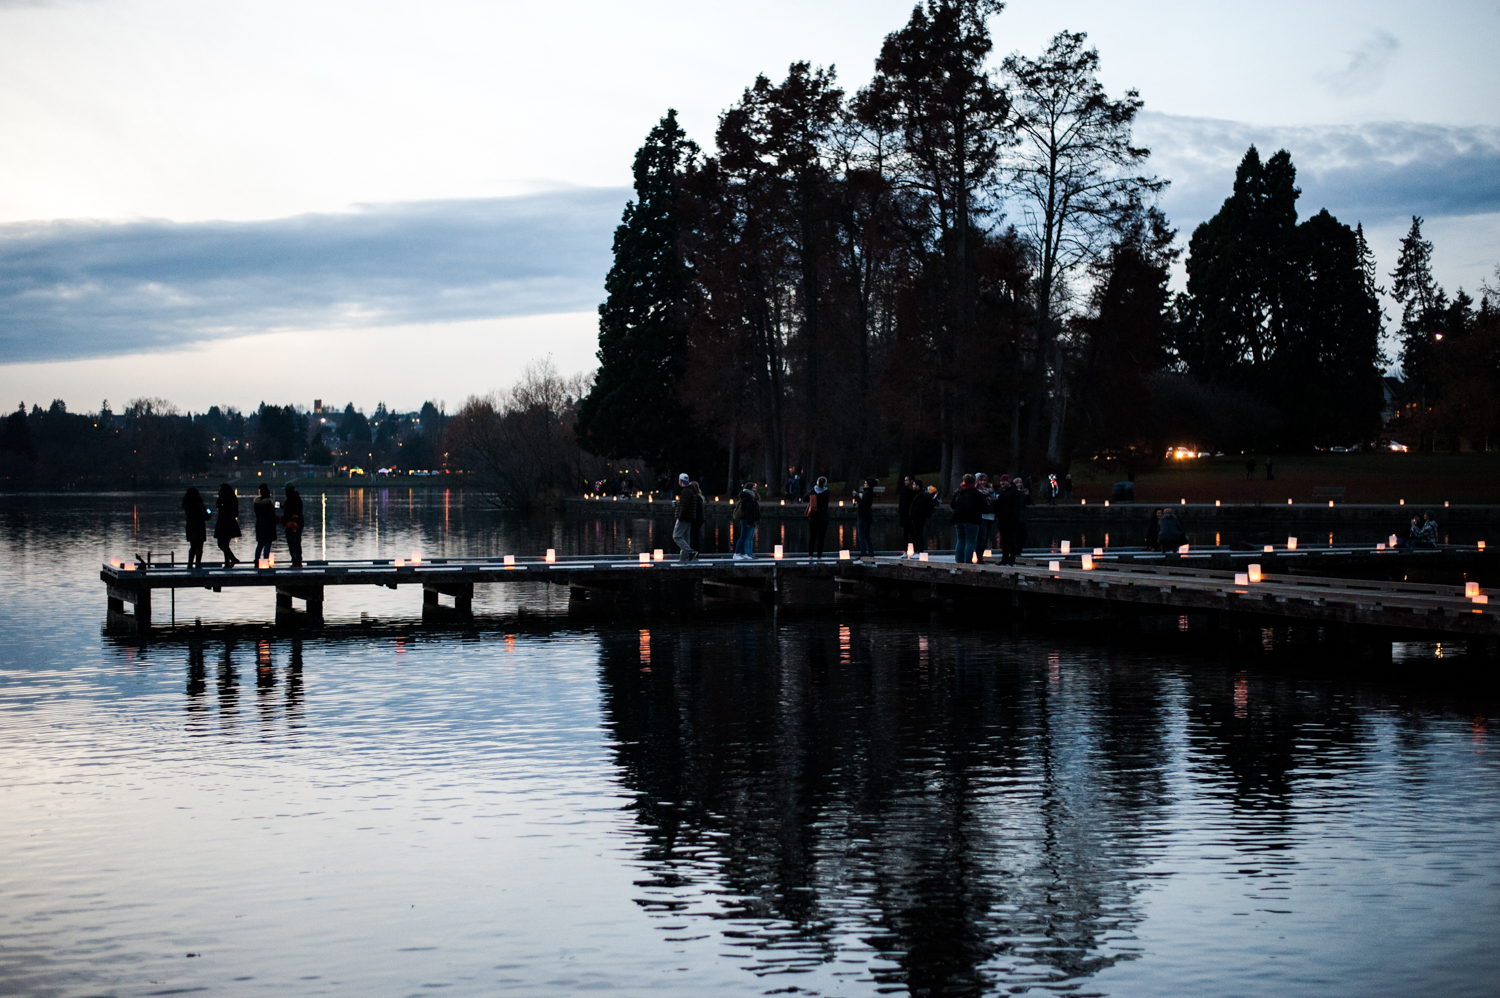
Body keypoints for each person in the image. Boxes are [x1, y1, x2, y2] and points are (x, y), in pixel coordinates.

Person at [949, 473, 985, 565]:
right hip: (972, 520)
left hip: (958, 520)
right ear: (974, 482)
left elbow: (952, 505)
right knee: (970, 541)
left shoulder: (958, 492)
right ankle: (967, 562)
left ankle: (959, 560)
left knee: (960, 540)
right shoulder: (976, 493)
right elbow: (983, 506)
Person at [996, 475, 1025, 565]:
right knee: (1004, 540)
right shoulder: (1002, 491)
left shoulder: (1014, 492)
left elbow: (1016, 507)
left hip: (1011, 520)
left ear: (1008, 482)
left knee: (1011, 540)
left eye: (1004, 481)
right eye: (1001, 481)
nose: (1002, 483)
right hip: (1002, 520)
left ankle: (1012, 559)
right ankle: (1004, 559)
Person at [181, 487, 211, 570]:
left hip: (190, 527)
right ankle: (198, 564)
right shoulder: (199, 504)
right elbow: (206, 516)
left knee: (193, 546)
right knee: (199, 547)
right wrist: (209, 512)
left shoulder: (187, 505)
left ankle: (190, 564)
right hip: (199, 527)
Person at [214, 483, 242, 567]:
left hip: (228, 523)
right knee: (221, 543)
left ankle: (227, 562)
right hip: (222, 523)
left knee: (225, 543)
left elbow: (235, 513)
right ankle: (232, 559)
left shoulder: (231, 500)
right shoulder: (221, 500)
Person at [673, 475, 700, 561]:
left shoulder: (686, 491)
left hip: (684, 518)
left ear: (680, 481)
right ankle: (683, 559)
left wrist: (680, 517)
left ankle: (690, 552)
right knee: (685, 539)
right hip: (689, 518)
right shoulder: (692, 491)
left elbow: (684, 506)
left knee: (676, 536)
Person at [732, 483, 760, 559]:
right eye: (754, 487)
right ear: (750, 488)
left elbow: (753, 510)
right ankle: (738, 553)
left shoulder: (752, 497)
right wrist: (748, 521)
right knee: (744, 536)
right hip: (746, 519)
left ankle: (747, 553)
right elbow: (748, 510)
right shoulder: (748, 497)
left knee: (749, 537)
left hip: (751, 519)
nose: (755, 488)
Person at [252, 483, 278, 564]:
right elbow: (271, 516)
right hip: (268, 527)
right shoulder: (268, 504)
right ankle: (265, 561)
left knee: (260, 544)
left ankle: (256, 560)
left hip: (259, 525)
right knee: (267, 544)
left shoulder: (256, 504)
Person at [806, 476, 831, 558]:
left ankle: (810, 555)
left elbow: (804, 498)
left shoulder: (813, 491)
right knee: (821, 538)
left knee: (812, 537)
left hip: (813, 517)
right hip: (824, 518)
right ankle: (819, 556)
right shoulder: (827, 492)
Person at [907, 481, 934, 555]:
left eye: (914, 485)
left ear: (918, 486)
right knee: (917, 535)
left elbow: (919, 508)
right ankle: (918, 550)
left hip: (918, 518)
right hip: (918, 518)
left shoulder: (920, 495)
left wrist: (913, 515)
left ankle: (919, 551)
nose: (912, 486)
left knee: (918, 535)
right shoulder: (920, 494)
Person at [282, 484, 305, 567]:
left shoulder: (289, 500)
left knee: (292, 544)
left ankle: (295, 562)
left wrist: (282, 521)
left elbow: (288, 514)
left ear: (288, 491)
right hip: (299, 524)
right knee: (297, 543)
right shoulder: (298, 499)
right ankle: (299, 561)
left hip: (291, 525)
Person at [855, 478, 878, 557]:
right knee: (867, 536)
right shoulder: (870, 493)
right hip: (868, 516)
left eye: (865, 483)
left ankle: (863, 553)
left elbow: (862, 504)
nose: (864, 484)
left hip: (863, 516)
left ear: (868, 485)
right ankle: (871, 552)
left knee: (861, 536)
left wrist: (857, 498)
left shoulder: (867, 493)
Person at [975, 473, 996, 561]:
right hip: (982, 516)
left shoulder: (991, 490)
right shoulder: (977, 491)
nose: (983, 482)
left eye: (984, 480)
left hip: (991, 515)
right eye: (981, 480)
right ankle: (979, 556)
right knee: (981, 537)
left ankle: (981, 555)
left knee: (987, 537)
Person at [897, 475, 918, 550]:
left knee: (913, 533)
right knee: (905, 533)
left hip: (912, 515)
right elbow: (901, 501)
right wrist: (901, 511)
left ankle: (916, 550)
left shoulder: (914, 491)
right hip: (905, 514)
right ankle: (905, 550)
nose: (905, 482)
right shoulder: (904, 489)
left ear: (911, 481)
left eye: (906, 480)